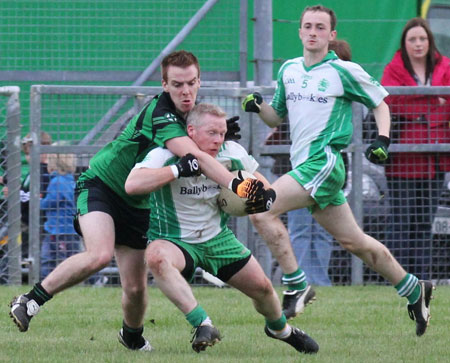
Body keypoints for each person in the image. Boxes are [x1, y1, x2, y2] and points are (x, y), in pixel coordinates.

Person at [9, 50, 273, 351]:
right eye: (177, 85)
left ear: (199, 81)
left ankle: (131, 336)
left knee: (135, 288)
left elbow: (201, 145)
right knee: (99, 254)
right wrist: (242, 188)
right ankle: (30, 301)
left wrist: (217, 135)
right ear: (164, 85)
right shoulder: (162, 115)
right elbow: (196, 156)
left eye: (190, 83)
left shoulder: (191, 114)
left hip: (141, 203)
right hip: (104, 186)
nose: (185, 91)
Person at [243, 5, 434, 337]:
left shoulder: (343, 70)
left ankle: (296, 285)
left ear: (331, 35)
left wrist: (384, 139)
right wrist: (259, 106)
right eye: (308, 26)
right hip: (305, 167)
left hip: (325, 163)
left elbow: (380, 102)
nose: (313, 31)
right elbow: (277, 117)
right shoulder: (288, 69)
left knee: (262, 209)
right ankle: (414, 288)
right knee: (354, 241)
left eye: (321, 27)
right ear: (300, 32)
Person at [125, 103, 318, 354]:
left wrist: (264, 197)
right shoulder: (165, 154)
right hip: (174, 240)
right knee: (155, 257)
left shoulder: (232, 152)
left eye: (222, 133)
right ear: (191, 131)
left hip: (218, 239)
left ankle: (280, 330)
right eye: (212, 133)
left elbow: (264, 186)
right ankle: (202, 323)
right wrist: (175, 171)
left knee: (262, 289)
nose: (218, 140)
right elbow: (133, 184)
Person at [380, 17, 450, 280]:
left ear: (430, 41)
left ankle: (421, 281)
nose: (418, 44)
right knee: (400, 224)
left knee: (424, 225)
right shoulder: (393, 68)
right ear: (404, 44)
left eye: (423, 39)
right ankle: (396, 280)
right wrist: (435, 101)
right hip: (402, 163)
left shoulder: (445, 66)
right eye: (412, 39)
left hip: (435, 161)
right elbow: (390, 102)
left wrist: (418, 102)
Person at [286, 39, 353, 287]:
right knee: (301, 227)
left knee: (326, 231)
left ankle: (320, 280)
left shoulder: (344, 89)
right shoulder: (302, 84)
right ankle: (302, 280)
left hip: (328, 169)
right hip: (299, 169)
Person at [40, 149, 80, 279]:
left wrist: (38, 201)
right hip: (68, 228)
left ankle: (46, 282)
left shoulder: (57, 182)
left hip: (58, 229)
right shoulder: (70, 180)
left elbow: (51, 202)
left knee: (48, 259)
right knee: (72, 258)